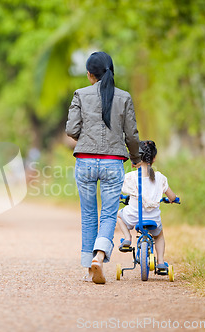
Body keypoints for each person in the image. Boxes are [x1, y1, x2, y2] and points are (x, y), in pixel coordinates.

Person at [66, 51, 141, 284]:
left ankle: (90, 268)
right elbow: (132, 134)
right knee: (108, 214)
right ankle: (99, 256)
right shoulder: (124, 97)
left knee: (88, 215)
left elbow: (71, 129)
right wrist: (136, 157)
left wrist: (86, 138)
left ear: (90, 75)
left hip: (85, 161)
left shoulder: (80, 94)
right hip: (113, 162)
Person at [117, 140, 178, 270]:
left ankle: (127, 238)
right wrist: (174, 199)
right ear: (154, 158)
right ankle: (161, 262)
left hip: (134, 216)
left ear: (135, 159)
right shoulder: (160, 178)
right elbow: (171, 196)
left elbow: (119, 190)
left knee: (118, 215)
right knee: (159, 236)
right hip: (153, 219)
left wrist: (119, 197)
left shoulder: (130, 177)